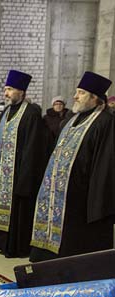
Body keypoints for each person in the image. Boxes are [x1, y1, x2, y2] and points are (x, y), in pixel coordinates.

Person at [30, 72, 115, 262]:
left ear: (95, 98)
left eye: (81, 93)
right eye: (76, 92)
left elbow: (105, 166)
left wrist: (96, 204)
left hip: (81, 195)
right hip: (59, 190)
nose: (75, 96)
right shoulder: (72, 120)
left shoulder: (105, 123)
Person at [0, 70, 54, 258]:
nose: (6, 93)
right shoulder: (8, 111)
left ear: (21, 91)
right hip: (3, 172)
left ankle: (14, 246)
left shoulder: (32, 112)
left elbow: (34, 147)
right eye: (5, 89)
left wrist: (24, 176)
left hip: (20, 173)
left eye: (10, 89)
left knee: (18, 210)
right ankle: (2, 240)